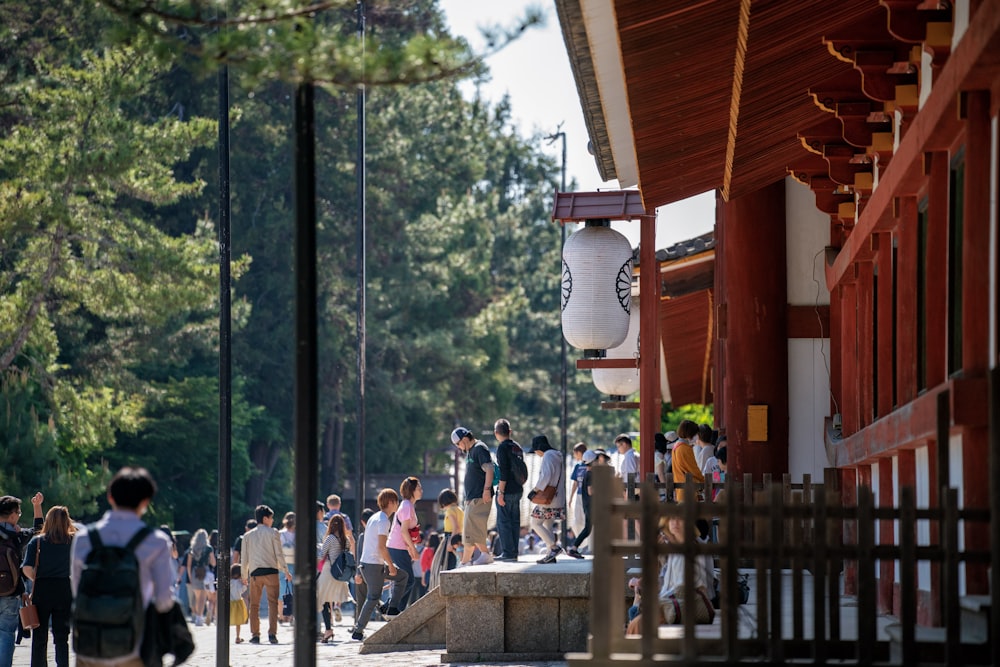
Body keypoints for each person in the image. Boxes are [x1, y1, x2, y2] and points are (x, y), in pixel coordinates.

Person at [70, 467, 175, 667]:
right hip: (133, 645)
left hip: (90, 644)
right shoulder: (156, 541)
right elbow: (163, 600)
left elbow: (77, 589)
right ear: (146, 502)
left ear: (110, 497)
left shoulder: (84, 538)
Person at [349, 489, 409, 642]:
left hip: (369, 563)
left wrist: (389, 564)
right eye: (396, 501)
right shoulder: (384, 520)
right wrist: (391, 565)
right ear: (390, 502)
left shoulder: (374, 518)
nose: (398, 504)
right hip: (374, 564)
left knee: (402, 576)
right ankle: (358, 630)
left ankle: (391, 608)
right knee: (373, 597)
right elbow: (382, 547)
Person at [21, 503, 67, 667]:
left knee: (39, 635)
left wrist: (38, 578)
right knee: (61, 636)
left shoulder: (38, 541)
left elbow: (26, 568)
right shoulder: (73, 540)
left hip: (42, 589)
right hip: (64, 589)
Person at [240, 505, 291, 645]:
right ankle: (272, 634)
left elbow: (244, 558)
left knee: (254, 605)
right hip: (272, 572)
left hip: (255, 573)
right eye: (271, 517)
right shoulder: (273, 533)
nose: (273, 520)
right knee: (273, 604)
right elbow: (278, 554)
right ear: (265, 518)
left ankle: (255, 634)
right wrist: (285, 570)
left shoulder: (247, 536)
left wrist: (244, 575)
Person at [450, 427, 495, 565]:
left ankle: (486, 554)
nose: (458, 447)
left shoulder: (479, 448)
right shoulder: (470, 451)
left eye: (458, 444)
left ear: (464, 439)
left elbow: (489, 468)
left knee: (474, 529)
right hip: (471, 497)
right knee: (468, 534)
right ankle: (464, 562)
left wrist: (487, 489)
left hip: (479, 496)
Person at [527, 435, 566, 564]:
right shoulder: (557, 456)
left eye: (535, 450)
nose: (536, 453)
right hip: (557, 497)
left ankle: (553, 548)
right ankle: (550, 555)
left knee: (535, 523)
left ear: (539, 448)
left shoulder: (548, 456)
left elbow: (546, 476)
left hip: (547, 499)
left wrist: (535, 490)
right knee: (548, 525)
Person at [385, 477, 421, 609]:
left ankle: (395, 608)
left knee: (405, 581)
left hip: (400, 548)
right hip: (397, 547)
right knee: (408, 580)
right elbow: (404, 531)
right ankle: (392, 607)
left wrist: (411, 550)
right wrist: (414, 549)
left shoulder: (408, 505)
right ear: (411, 490)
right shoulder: (406, 506)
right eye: (418, 488)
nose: (421, 490)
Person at [317, 514, 354, 642]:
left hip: (328, 572)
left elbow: (322, 555)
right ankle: (329, 628)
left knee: (322, 599)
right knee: (329, 600)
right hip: (340, 576)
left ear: (331, 525)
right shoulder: (346, 540)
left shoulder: (330, 538)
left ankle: (328, 630)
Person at [492, 419, 525, 561]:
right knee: (515, 521)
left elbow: (504, 472)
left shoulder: (502, 448)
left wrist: (501, 492)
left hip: (507, 490)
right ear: (510, 432)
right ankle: (514, 552)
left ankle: (508, 553)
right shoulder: (516, 447)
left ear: (496, 433)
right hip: (518, 489)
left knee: (504, 521)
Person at [566, 449, 597, 559]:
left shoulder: (587, 474)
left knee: (588, 529)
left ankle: (574, 548)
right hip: (592, 505)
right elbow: (590, 491)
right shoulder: (591, 474)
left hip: (587, 505)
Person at [185, 529, 215, 626]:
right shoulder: (208, 548)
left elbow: (188, 565)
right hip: (204, 571)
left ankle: (198, 616)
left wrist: (190, 577)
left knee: (197, 597)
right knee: (203, 597)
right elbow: (213, 562)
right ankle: (199, 618)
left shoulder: (192, 548)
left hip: (194, 572)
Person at [672, 420, 705, 502]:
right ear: (690, 434)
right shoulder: (685, 448)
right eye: (696, 434)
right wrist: (704, 481)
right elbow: (693, 469)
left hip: (680, 489)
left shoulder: (676, 446)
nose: (697, 436)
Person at [567, 442, 588, 549]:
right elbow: (575, 483)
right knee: (576, 522)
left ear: (579, 452)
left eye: (574, 453)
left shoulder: (589, 465)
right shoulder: (577, 466)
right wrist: (570, 498)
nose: (574, 456)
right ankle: (583, 543)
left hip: (587, 497)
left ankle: (586, 544)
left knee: (586, 520)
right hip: (579, 496)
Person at [277, 512, 295, 624]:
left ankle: (282, 616)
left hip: (282, 565)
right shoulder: (299, 534)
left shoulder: (280, 534)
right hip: (295, 563)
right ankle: (292, 616)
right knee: (293, 591)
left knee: (281, 592)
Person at [229, 565, 248, 644]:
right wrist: (245, 585)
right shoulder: (238, 582)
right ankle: (237, 636)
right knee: (238, 622)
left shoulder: (229, 582)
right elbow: (241, 590)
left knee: (229, 619)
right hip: (238, 602)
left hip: (230, 602)